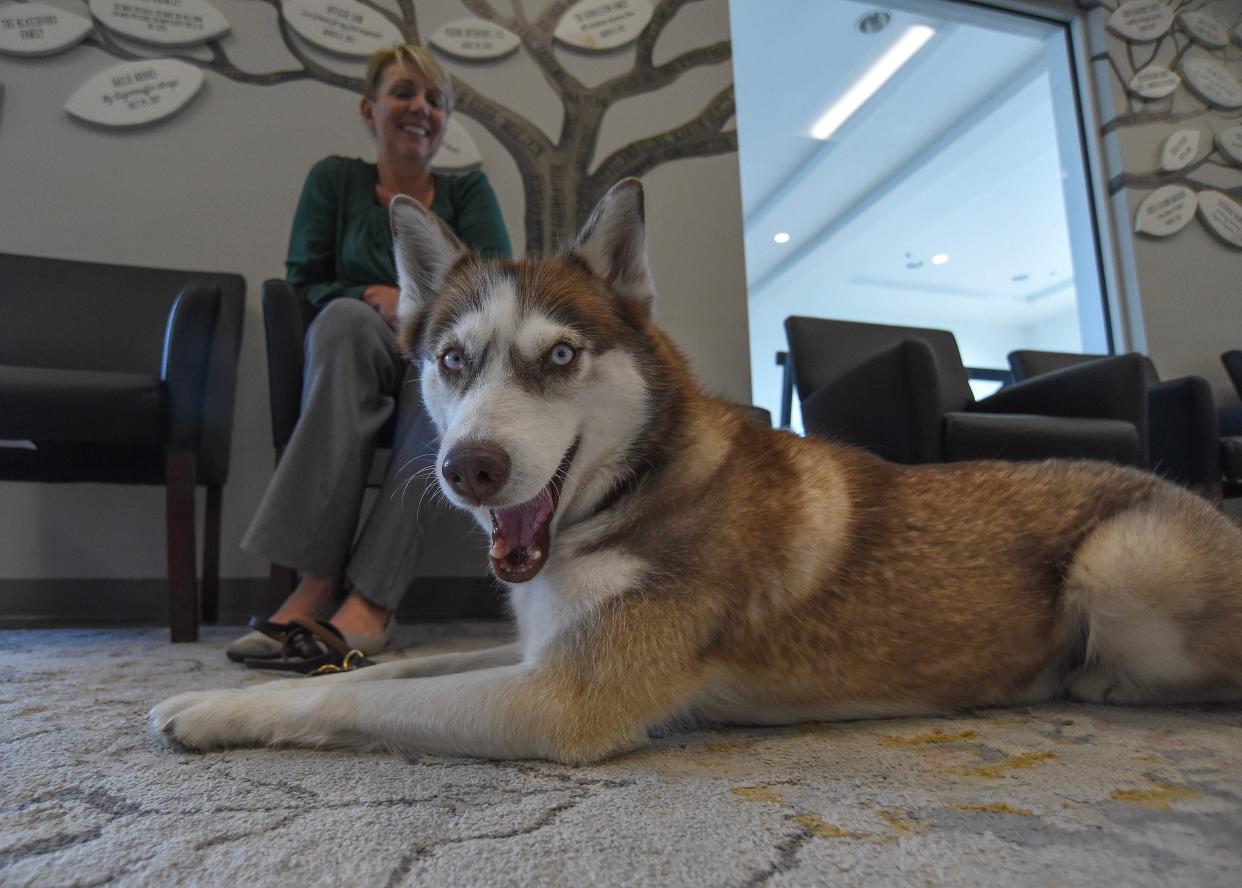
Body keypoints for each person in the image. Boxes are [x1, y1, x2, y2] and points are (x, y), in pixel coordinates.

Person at [229, 44, 512, 662]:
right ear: (370, 108)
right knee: (342, 322)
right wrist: (371, 295)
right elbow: (303, 276)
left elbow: (494, 291)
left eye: (435, 100)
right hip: (351, 349)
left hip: (437, 357)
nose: (421, 108)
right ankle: (316, 581)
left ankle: (373, 600)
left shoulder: (470, 191)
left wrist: (422, 317)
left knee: (437, 378)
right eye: (405, 93)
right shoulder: (334, 180)